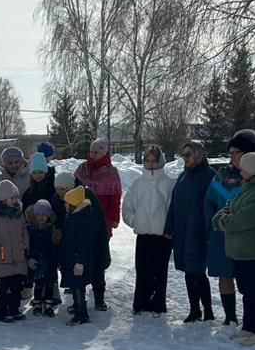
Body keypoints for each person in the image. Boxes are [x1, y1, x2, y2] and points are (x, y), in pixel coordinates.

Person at [211, 152, 255, 346]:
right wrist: (223, 215)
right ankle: (250, 326)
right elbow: (230, 206)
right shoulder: (250, 186)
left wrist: (222, 221)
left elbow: (245, 217)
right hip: (243, 248)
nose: (240, 172)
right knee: (247, 288)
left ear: (253, 170)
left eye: (243, 168)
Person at [123, 144, 176, 316]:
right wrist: (135, 221)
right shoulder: (138, 184)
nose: (151, 164)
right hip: (144, 235)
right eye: (148, 160)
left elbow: (173, 210)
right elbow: (127, 208)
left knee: (160, 271)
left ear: (160, 162)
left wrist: (170, 229)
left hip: (163, 236)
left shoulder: (169, 184)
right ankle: (140, 303)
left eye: (154, 160)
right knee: (143, 269)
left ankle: (157, 304)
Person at [165, 140, 215, 321]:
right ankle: (194, 309)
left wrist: (210, 229)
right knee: (188, 271)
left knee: (198, 271)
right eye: (183, 155)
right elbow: (173, 205)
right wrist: (169, 227)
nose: (185, 158)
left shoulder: (210, 176)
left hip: (199, 232)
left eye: (189, 154)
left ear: (199, 155)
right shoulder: (182, 177)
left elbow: (213, 205)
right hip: (182, 231)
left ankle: (208, 309)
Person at [75, 137, 122, 309]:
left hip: (101, 223)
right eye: (91, 151)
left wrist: (113, 219)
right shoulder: (82, 169)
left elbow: (115, 197)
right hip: (81, 221)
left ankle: (99, 293)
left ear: (104, 152)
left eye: (97, 151)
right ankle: (78, 289)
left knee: (98, 258)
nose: (93, 154)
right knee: (79, 255)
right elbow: (73, 193)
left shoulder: (111, 171)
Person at [0, 180, 29, 323]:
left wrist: (25, 245)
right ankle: (1, 312)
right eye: (11, 198)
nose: (14, 201)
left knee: (16, 287)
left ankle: (14, 309)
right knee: (3, 288)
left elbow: (24, 231)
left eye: (16, 197)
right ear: (3, 199)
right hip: (2, 259)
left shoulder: (18, 215)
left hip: (18, 258)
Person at [205, 163, 243, 326]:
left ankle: (252, 316)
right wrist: (212, 222)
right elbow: (209, 201)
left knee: (246, 276)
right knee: (224, 273)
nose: (233, 156)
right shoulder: (222, 175)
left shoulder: (254, 172)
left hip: (245, 232)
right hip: (221, 232)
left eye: (237, 152)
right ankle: (230, 316)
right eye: (231, 152)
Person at [61, 186, 102, 326]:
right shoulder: (74, 218)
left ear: (73, 205)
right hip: (72, 259)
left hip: (78, 261)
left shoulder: (81, 221)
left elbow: (84, 244)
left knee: (78, 287)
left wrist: (80, 262)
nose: (64, 206)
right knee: (74, 286)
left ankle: (81, 314)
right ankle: (77, 306)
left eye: (66, 203)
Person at [25, 199, 59, 316]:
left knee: (50, 283)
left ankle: (49, 304)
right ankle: (37, 303)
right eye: (38, 215)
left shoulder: (52, 229)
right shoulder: (31, 229)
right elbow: (27, 245)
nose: (41, 217)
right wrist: (28, 257)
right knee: (38, 284)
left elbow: (56, 246)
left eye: (44, 215)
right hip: (36, 260)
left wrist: (57, 259)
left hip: (50, 261)